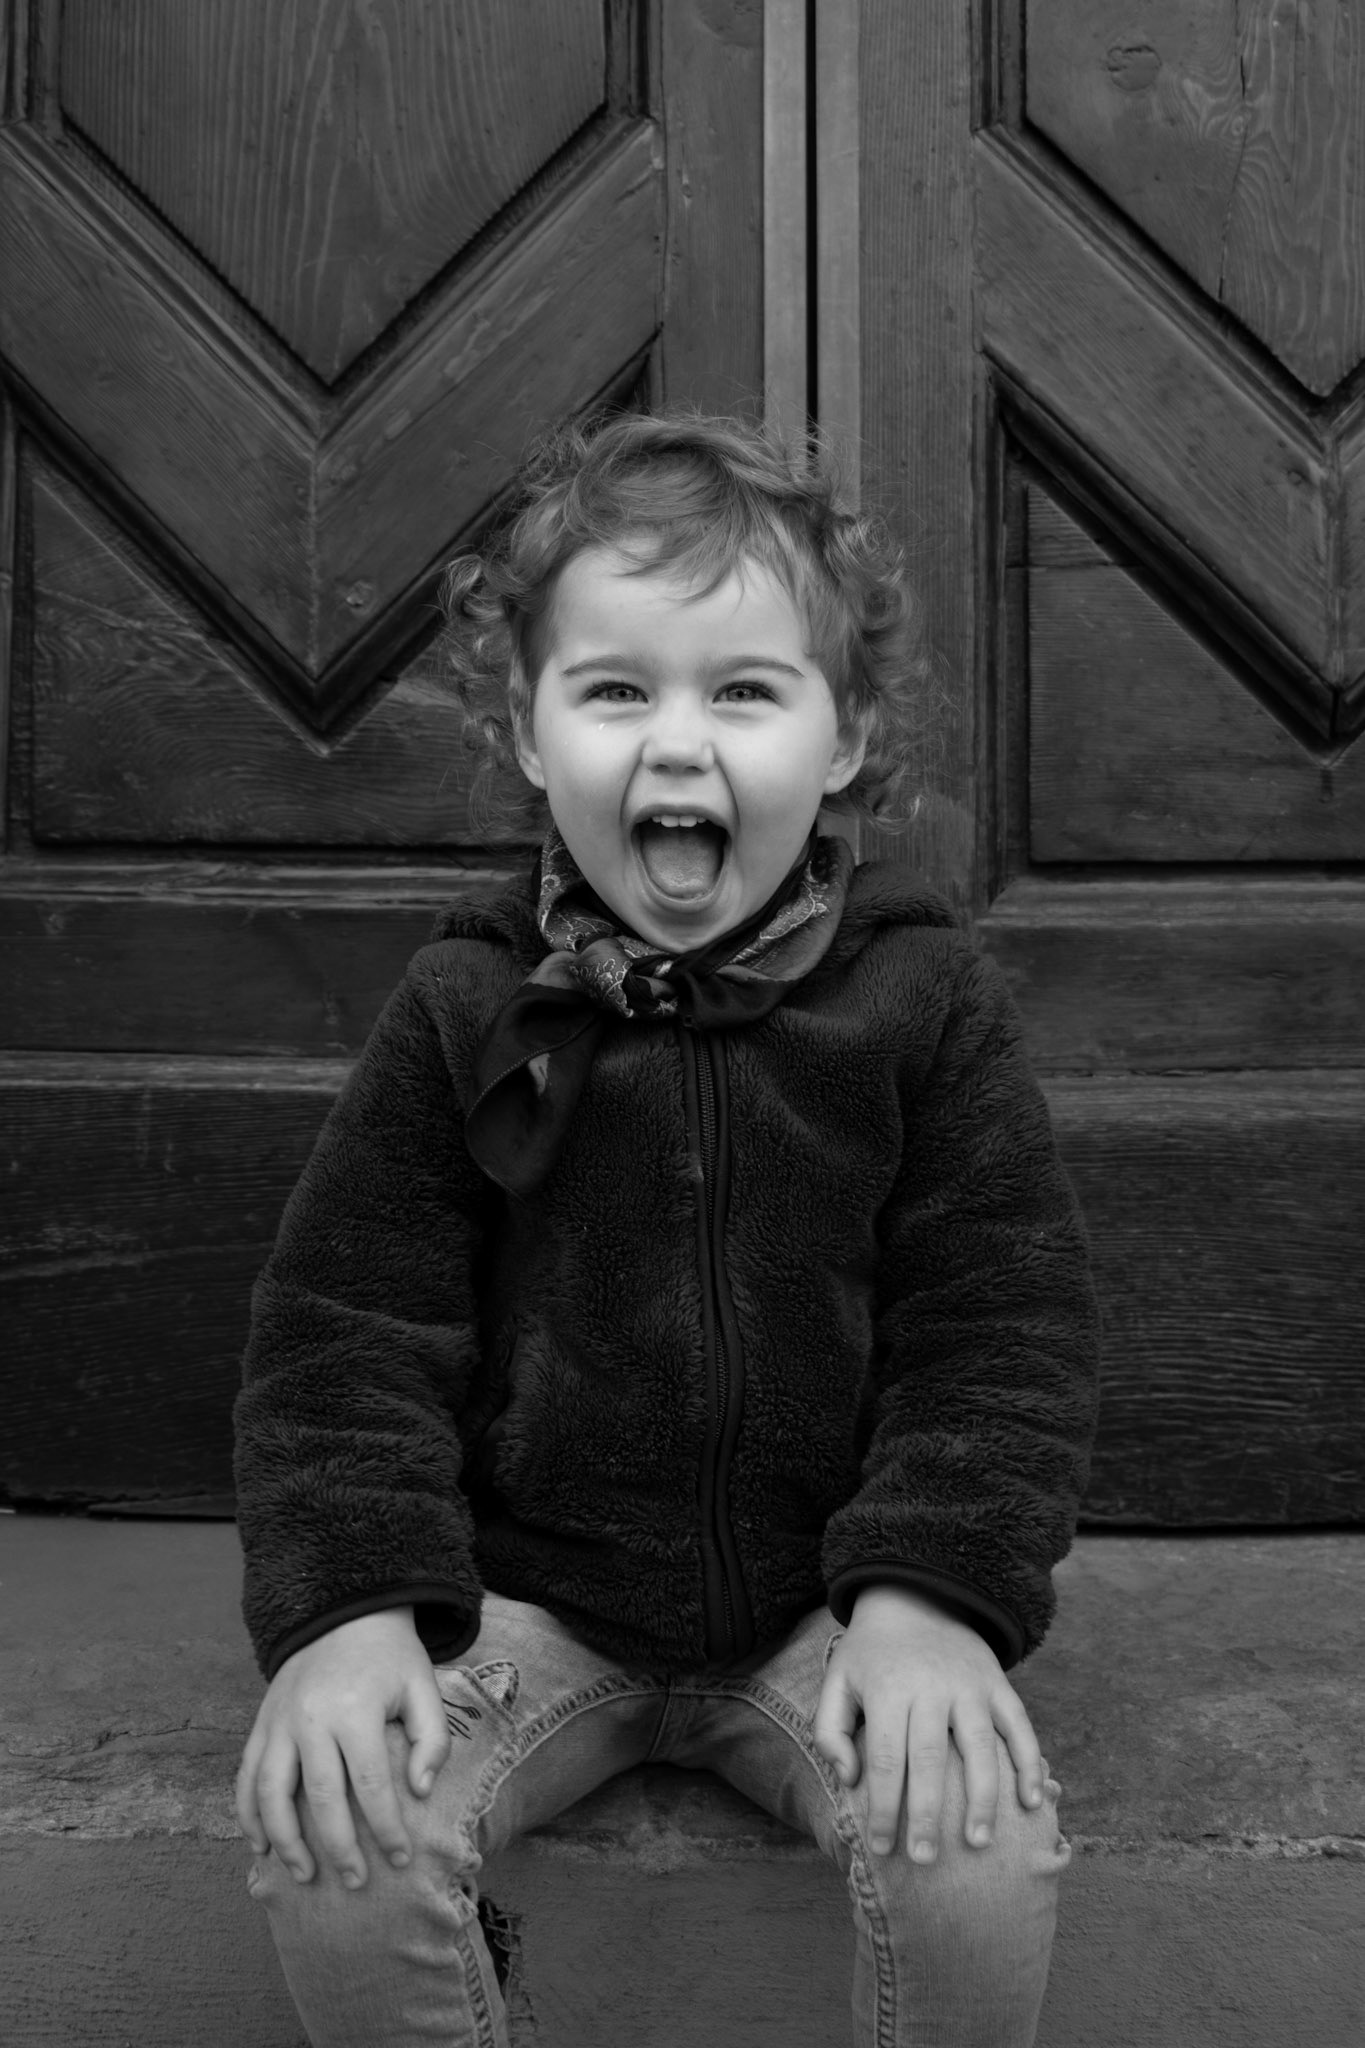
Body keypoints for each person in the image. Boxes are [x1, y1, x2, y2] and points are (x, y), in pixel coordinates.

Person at [233, 410, 1100, 2048]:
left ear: (840, 742)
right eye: (617, 690)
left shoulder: (923, 1004)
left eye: (745, 692)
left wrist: (931, 1600)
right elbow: (343, 1332)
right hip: (527, 1615)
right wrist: (348, 1612)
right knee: (331, 1835)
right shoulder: (465, 1008)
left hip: (829, 1611)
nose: (678, 745)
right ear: (528, 734)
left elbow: (1001, 1329)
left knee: (974, 1838)